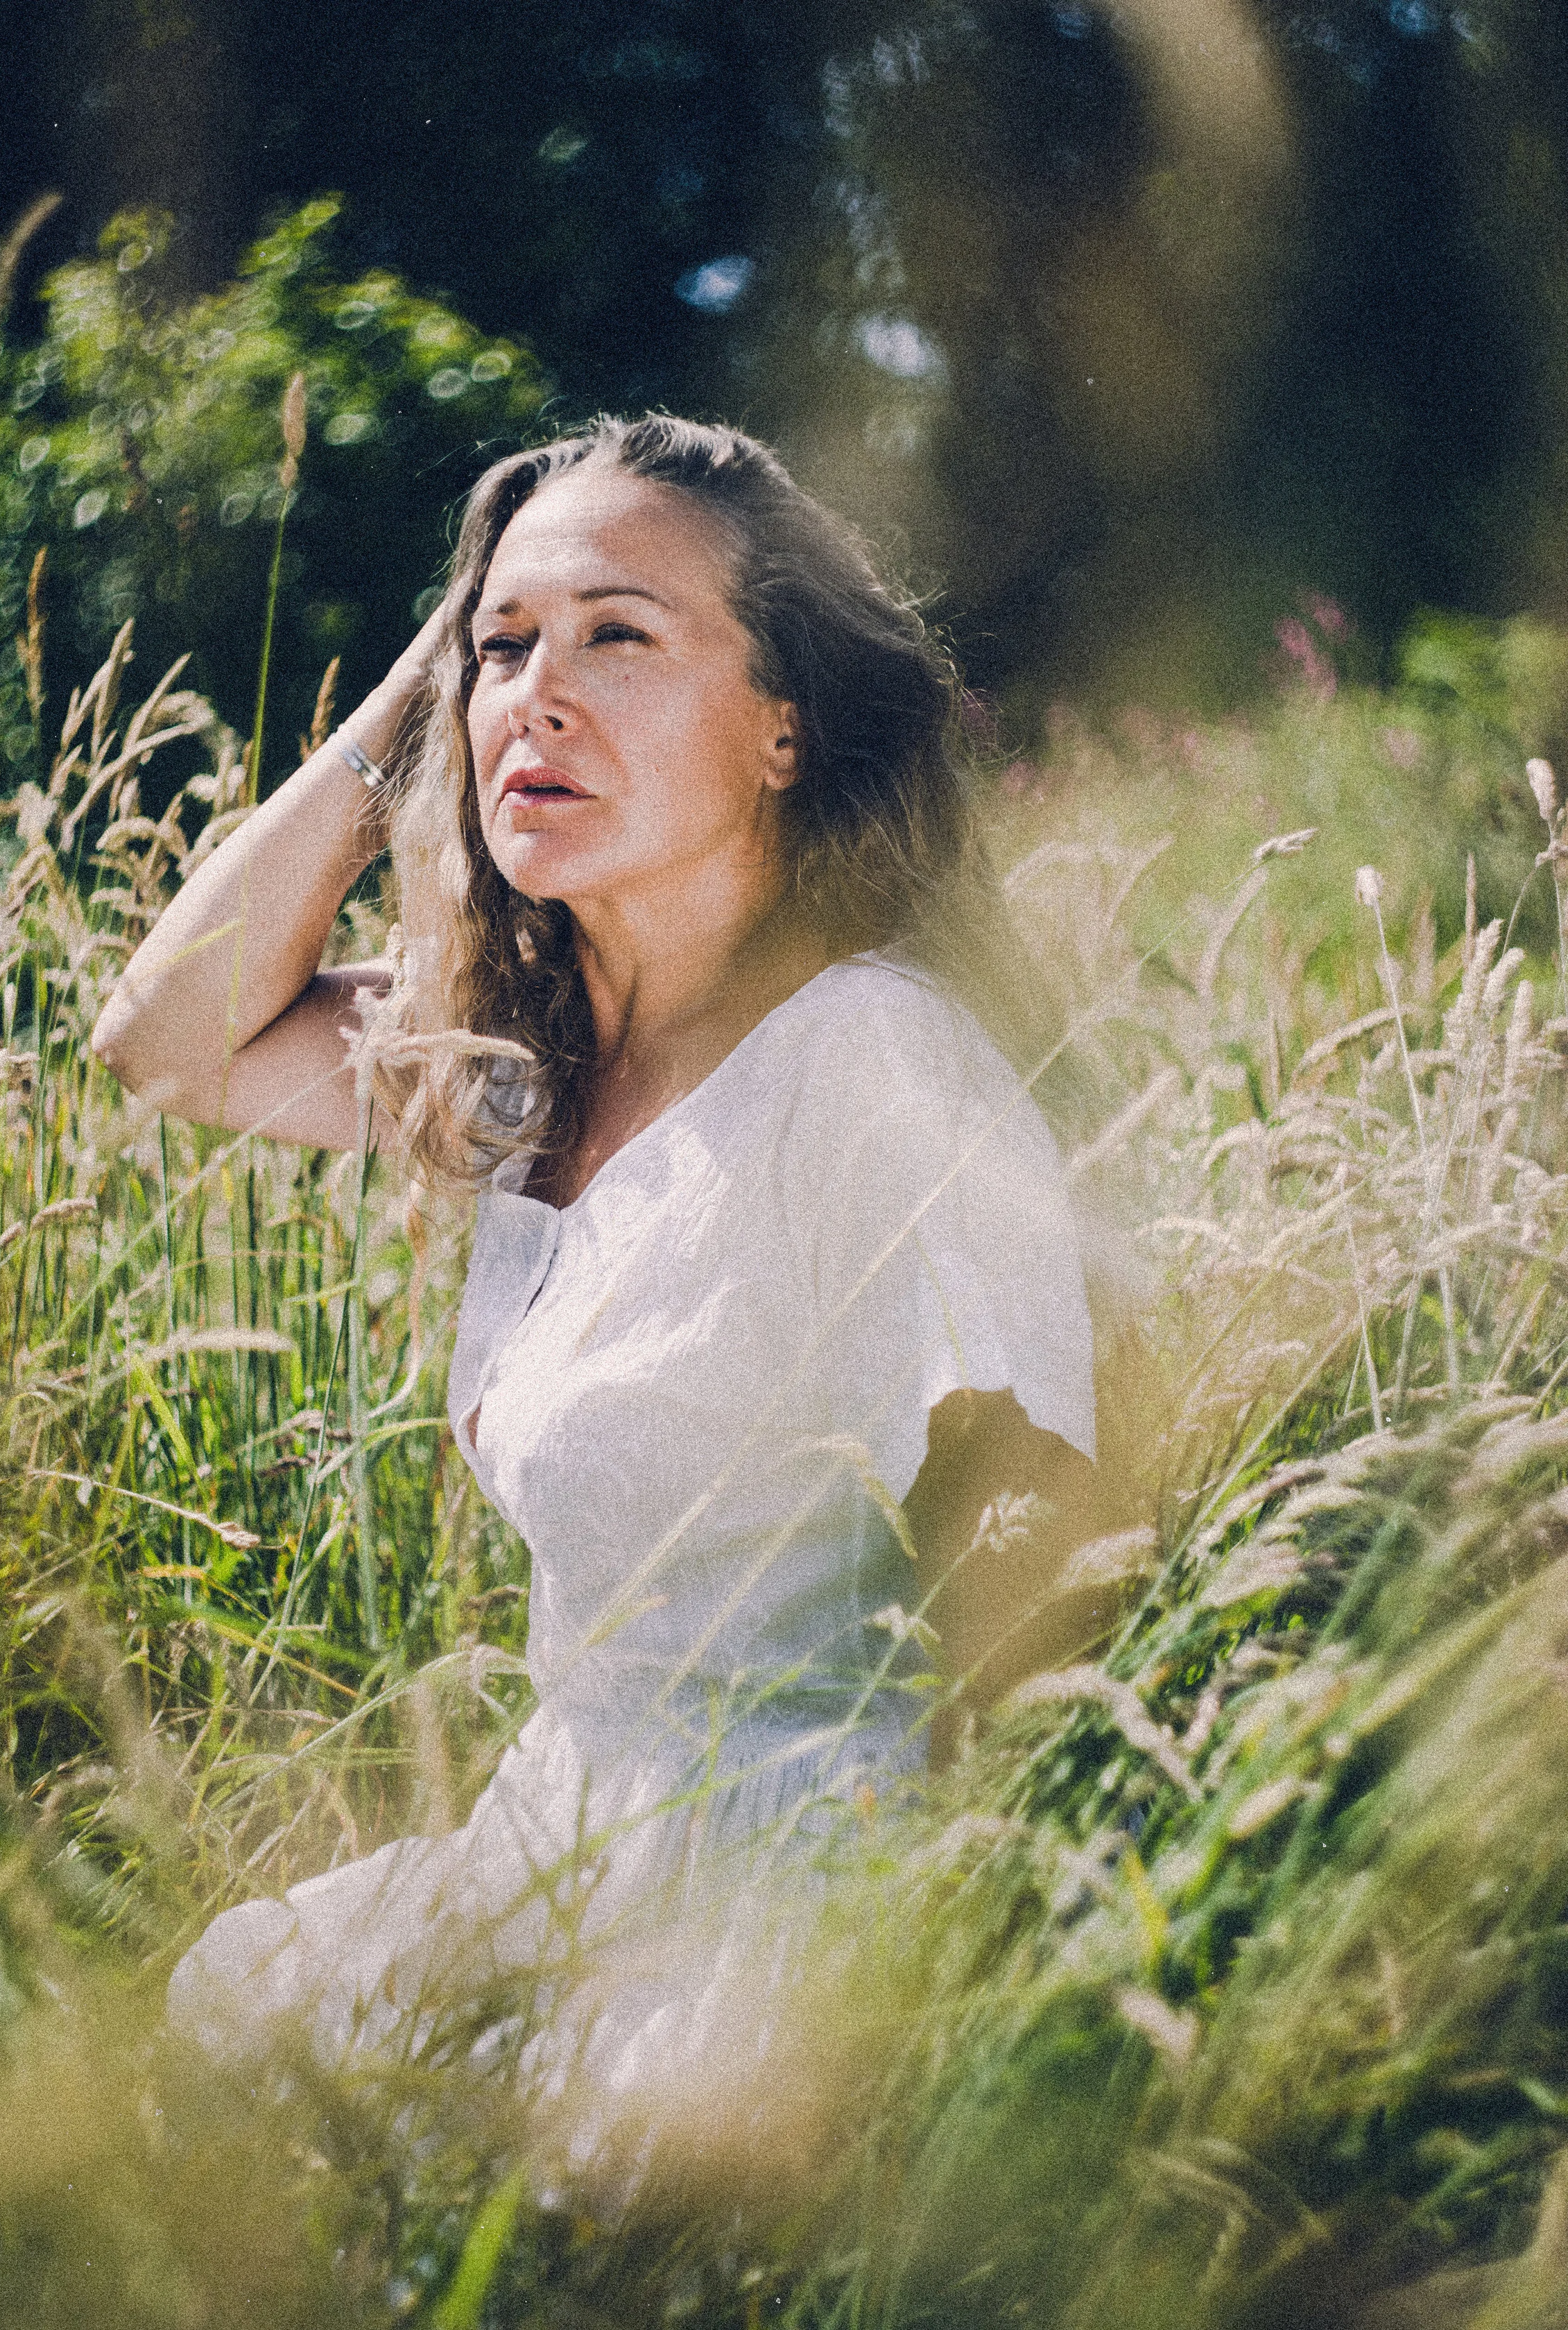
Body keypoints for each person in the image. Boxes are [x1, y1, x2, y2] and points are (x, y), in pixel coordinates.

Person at [93, 415, 1096, 2105]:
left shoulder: (865, 1065)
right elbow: (166, 1040)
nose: (536, 697)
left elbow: (1035, 1571)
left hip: (781, 1896)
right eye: (506, 647)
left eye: (619, 636)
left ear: (784, 728)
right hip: (560, 1851)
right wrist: (422, 698)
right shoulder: (523, 1064)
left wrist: (925, 2032)